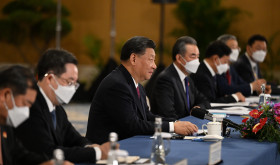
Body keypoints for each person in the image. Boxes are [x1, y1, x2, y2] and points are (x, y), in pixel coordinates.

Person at [86, 36, 198, 144]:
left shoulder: (136, 84)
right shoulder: (117, 84)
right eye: (151, 60)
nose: (154, 66)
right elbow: (133, 125)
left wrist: (174, 123)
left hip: (127, 144)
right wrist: (172, 127)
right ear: (133, 58)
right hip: (108, 152)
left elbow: (147, 116)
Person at [15, 49, 110, 164]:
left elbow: (73, 138)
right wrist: (96, 153)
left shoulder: (57, 108)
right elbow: (47, 152)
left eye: (75, 84)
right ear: (50, 78)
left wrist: (88, 146)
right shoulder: (30, 106)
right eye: (69, 82)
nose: (73, 89)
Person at [0, 65, 72, 165]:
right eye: (25, 104)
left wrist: (50, 163)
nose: (27, 111)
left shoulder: (5, 124)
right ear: (6, 95)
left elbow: (20, 156)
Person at [150, 36, 211, 120]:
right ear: (179, 58)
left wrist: (198, 108)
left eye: (198, 57)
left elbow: (205, 101)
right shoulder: (165, 79)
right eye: (193, 56)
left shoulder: (187, 78)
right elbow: (168, 115)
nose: (197, 61)